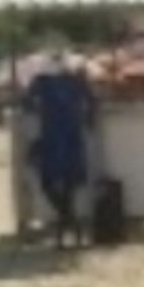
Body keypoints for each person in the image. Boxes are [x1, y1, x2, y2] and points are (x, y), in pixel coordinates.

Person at [25, 53, 96, 249]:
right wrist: (89, 121)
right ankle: (71, 226)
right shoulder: (76, 82)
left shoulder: (41, 82)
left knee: (49, 184)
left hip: (52, 137)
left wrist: (38, 110)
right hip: (72, 137)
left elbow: (27, 103)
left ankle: (66, 225)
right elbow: (92, 102)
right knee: (69, 186)